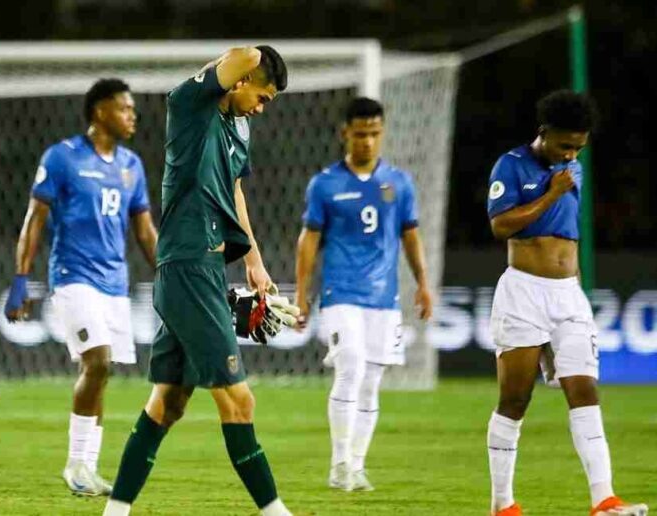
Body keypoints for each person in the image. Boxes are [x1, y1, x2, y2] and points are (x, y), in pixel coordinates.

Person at [102, 46, 292, 516]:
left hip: (208, 265)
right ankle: (276, 513)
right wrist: (253, 58)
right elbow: (244, 53)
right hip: (187, 263)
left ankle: (115, 511)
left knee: (167, 402)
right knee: (239, 400)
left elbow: (234, 190)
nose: (264, 108)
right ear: (242, 80)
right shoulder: (191, 107)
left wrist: (254, 260)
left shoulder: (239, 128)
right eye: (264, 96)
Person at [484, 90, 646, 516]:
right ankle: (502, 503)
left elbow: (567, 233)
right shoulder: (512, 165)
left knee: (584, 389)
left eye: (578, 147)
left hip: (567, 296)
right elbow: (501, 225)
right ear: (544, 133)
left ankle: (604, 499)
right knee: (515, 399)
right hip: (522, 292)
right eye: (564, 145)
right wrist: (552, 193)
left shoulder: (573, 169)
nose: (571, 154)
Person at [4, 78, 157, 496]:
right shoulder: (63, 157)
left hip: (115, 283)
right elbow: (35, 219)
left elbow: (143, 229)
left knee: (99, 373)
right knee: (98, 361)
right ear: (100, 111)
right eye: (124, 108)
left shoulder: (131, 165)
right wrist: (21, 278)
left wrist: (169, 272)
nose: (132, 116)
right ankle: (75, 464)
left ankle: (87, 469)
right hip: (74, 278)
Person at [294, 97, 433, 492]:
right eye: (360, 134)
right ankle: (338, 464)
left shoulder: (398, 183)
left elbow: (410, 235)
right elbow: (308, 241)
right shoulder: (325, 184)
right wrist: (303, 293)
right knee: (350, 366)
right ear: (345, 133)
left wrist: (422, 282)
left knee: (371, 382)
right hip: (340, 294)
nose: (367, 142)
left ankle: (356, 464)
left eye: (374, 134)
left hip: (384, 300)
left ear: (381, 133)